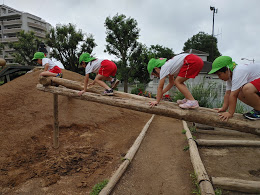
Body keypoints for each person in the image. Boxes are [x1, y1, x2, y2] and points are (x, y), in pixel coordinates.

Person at [208, 56, 260, 121]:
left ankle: (259, 110)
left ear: (227, 69)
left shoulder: (239, 71)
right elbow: (228, 93)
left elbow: (233, 95)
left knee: (247, 89)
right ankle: (257, 109)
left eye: (219, 74)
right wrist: (224, 108)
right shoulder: (230, 76)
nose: (219, 77)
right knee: (240, 93)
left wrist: (230, 113)